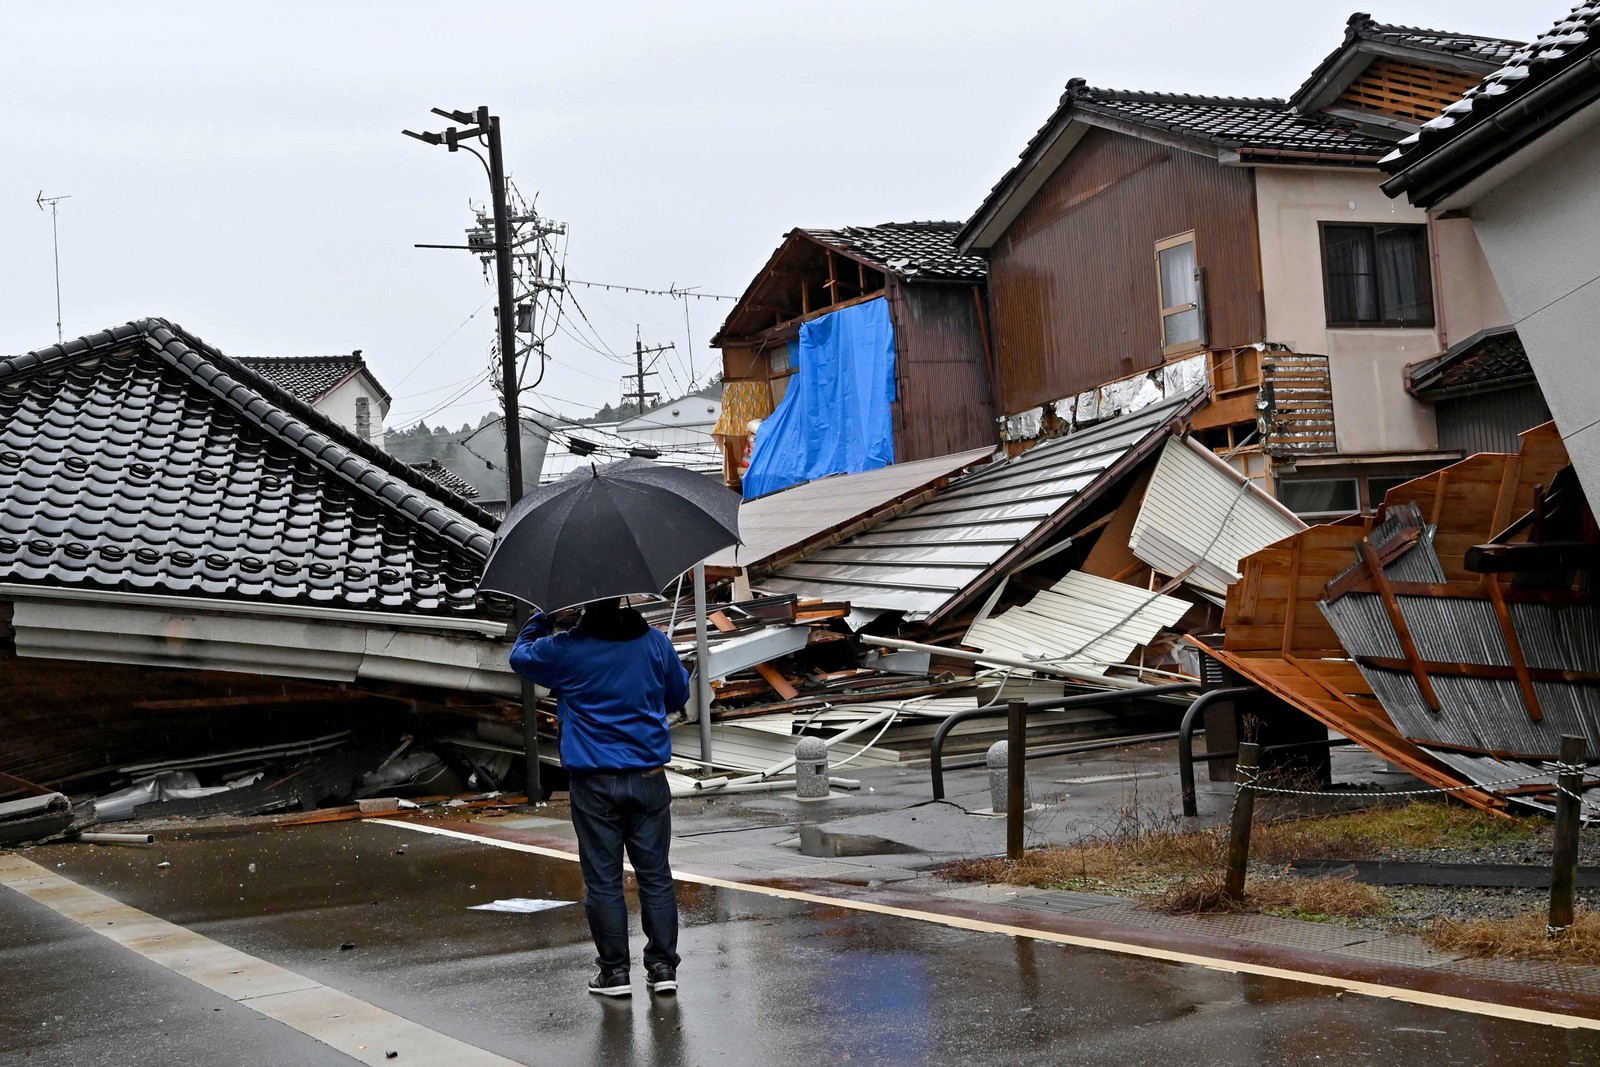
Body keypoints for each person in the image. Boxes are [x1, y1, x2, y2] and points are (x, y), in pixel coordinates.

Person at [509, 597, 691, 999]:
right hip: (649, 777)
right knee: (655, 875)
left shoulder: (567, 649)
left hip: (594, 782)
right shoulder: (655, 642)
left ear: (582, 606)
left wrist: (546, 616)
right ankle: (662, 967)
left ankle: (614, 974)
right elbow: (678, 696)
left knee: (604, 880)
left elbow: (520, 658)